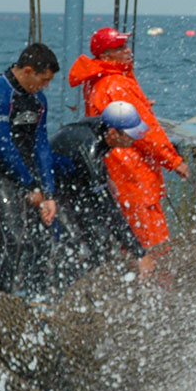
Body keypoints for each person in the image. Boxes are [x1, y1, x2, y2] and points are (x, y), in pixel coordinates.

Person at [68, 27, 189, 249]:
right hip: (132, 171)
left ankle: (135, 276)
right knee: (152, 238)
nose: (128, 51)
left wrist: (140, 105)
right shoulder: (117, 84)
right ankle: (157, 281)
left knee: (130, 232)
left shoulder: (98, 81)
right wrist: (174, 161)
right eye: (120, 48)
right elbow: (145, 132)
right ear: (105, 56)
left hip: (116, 167)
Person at [0, 42, 59, 296]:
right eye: (43, 80)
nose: (46, 86)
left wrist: (49, 193)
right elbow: (2, 145)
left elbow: (41, 146)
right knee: (16, 242)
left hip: (27, 176)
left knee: (43, 242)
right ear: (29, 70)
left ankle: (36, 297)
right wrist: (31, 186)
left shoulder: (38, 100)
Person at [50, 101, 153, 288]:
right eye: (130, 135)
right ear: (114, 133)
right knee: (71, 239)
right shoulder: (89, 147)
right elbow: (108, 210)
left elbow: (94, 161)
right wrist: (139, 253)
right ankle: (62, 292)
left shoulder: (103, 127)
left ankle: (95, 283)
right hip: (51, 185)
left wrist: (104, 177)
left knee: (100, 237)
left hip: (76, 177)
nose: (134, 140)